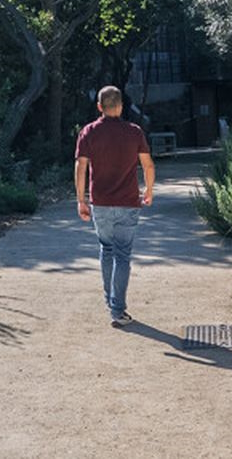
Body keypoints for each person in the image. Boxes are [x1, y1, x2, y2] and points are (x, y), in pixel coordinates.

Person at [74, 84, 155, 327]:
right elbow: (148, 165)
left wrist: (81, 200)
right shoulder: (134, 132)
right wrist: (149, 190)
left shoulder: (88, 132)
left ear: (100, 106)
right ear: (121, 106)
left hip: (100, 202)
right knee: (122, 255)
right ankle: (117, 310)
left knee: (106, 249)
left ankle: (111, 302)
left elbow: (80, 167)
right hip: (128, 202)